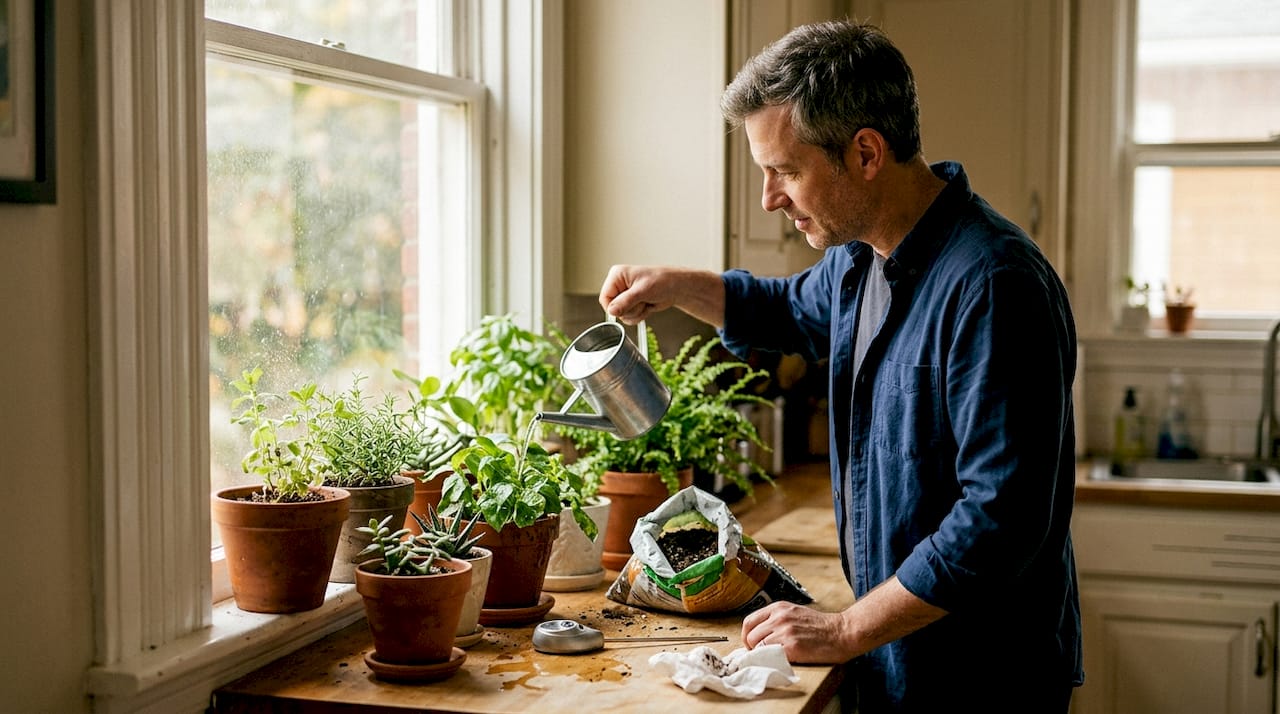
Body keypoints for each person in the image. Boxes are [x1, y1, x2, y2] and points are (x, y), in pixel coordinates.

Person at [597, 20, 1081, 713]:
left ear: (865, 153)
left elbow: (1000, 519)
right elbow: (786, 311)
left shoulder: (995, 285)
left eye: (785, 172)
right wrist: (677, 285)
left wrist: (847, 627)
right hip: (898, 658)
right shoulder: (861, 258)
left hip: (983, 677)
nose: (770, 198)